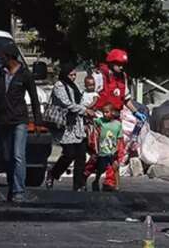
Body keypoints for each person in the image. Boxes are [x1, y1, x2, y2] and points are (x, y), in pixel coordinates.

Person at [84, 49, 146, 191]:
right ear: (111, 63)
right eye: (118, 64)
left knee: (117, 152)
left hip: (115, 120)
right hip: (100, 119)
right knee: (99, 152)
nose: (121, 67)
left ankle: (110, 182)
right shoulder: (99, 76)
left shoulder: (123, 77)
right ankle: (84, 175)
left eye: (123, 64)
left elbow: (126, 98)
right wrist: (89, 114)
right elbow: (89, 94)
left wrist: (136, 112)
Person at [0, 43, 42, 202]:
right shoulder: (1, 73)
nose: (1, 58)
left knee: (18, 155)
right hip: (3, 120)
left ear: (9, 57)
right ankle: (11, 186)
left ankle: (19, 191)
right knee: (6, 157)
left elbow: (34, 99)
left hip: (19, 120)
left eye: (3, 56)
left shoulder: (25, 75)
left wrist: (37, 121)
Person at [45, 64, 93, 191]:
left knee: (81, 156)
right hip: (66, 125)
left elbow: (80, 101)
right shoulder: (59, 86)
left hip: (78, 125)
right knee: (69, 154)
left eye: (74, 75)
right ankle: (53, 173)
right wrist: (84, 110)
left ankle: (78, 185)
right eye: (70, 75)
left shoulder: (75, 87)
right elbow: (67, 104)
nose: (73, 77)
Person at [92, 103, 122, 191]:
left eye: (107, 112)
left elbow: (119, 137)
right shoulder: (101, 121)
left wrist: (117, 148)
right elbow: (92, 120)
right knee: (100, 169)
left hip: (112, 150)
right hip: (103, 151)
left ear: (112, 112)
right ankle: (96, 181)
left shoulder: (117, 124)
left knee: (116, 166)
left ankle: (118, 186)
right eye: (103, 112)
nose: (105, 114)